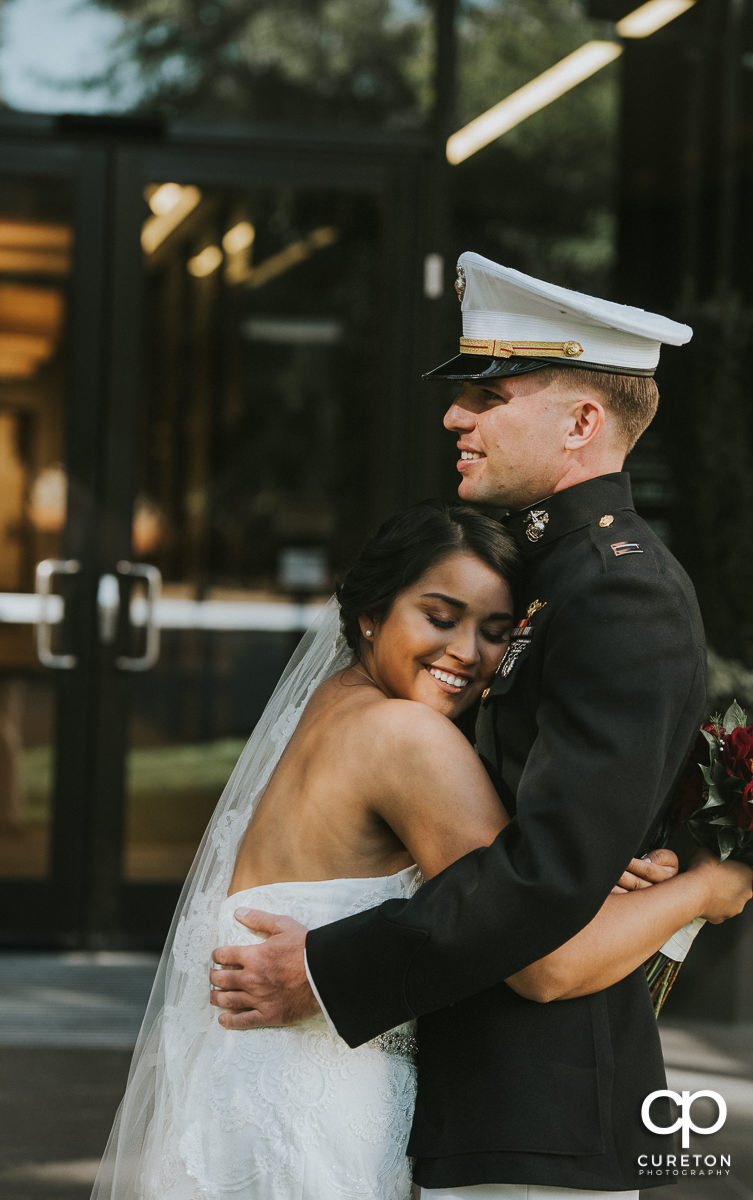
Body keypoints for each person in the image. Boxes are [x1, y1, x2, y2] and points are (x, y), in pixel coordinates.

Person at [209, 253, 753, 1200]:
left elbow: (544, 880)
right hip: (470, 1093)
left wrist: (329, 973)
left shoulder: (618, 590)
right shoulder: (543, 573)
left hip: (537, 1110)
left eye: (491, 395)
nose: (456, 416)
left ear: (583, 421)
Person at [92, 498, 748, 1200]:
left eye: (495, 632)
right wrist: (709, 887)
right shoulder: (409, 739)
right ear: (370, 613)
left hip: (242, 1093)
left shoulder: (331, 705)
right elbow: (543, 954)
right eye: (438, 617)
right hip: (319, 1110)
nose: (464, 652)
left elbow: (501, 878)